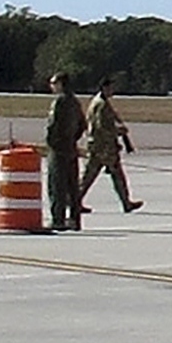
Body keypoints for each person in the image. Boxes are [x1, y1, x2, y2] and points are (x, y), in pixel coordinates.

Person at [84, 79, 142, 214]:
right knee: (92, 176)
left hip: (103, 146)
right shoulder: (101, 104)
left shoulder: (100, 102)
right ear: (104, 88)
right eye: (110, 88)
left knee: (113, 175)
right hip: (103, 147)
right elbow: (101, 127)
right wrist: (118, 131)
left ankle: (126, 202)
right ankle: (126, 202)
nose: (112, 90)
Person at [42, 72, 86, 231]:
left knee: (56, 185)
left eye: (53, 83)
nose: (51, 86)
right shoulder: (75, 102)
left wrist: (51, 143)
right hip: (71, 148)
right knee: (72, 186)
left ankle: (58, 219)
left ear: (61, 84)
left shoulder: (59, 102)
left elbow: (52, 126)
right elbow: (82, 124)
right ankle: (74, 219)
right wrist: (73, 139)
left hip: (58, 149)